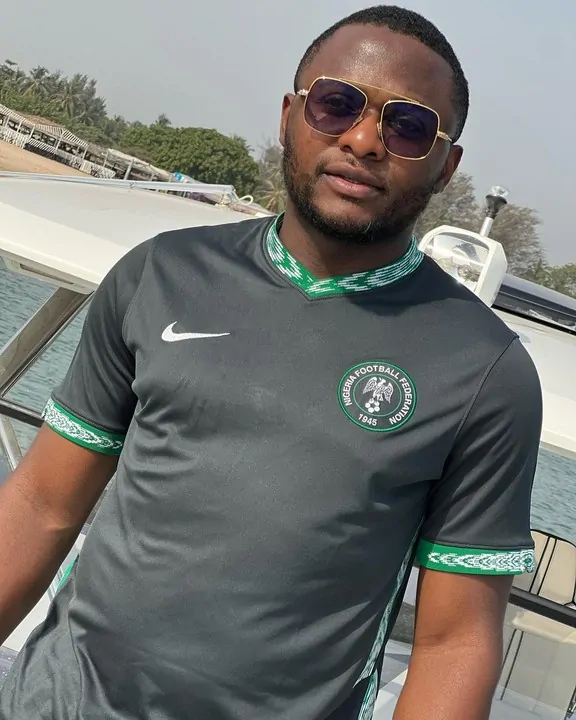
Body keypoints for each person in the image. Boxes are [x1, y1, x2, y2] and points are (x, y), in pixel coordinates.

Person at [0, 5, 542, 720]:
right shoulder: (160, 274)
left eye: (408, 127)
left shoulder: (485, 372)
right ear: (290, 116)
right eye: (336, 104)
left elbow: (454, 643)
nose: (362, 140)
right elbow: (41, 505)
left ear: (446, 166)